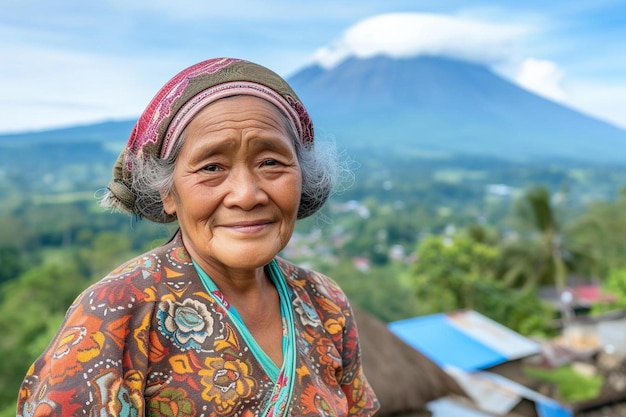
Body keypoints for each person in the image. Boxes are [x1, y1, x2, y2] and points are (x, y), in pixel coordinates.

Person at [17, 57, 379, 417]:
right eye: (211, 167)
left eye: (271, 162)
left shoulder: (325, 303)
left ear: (302, 176)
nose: (247, 194)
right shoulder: (113, 313)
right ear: (169, 193)